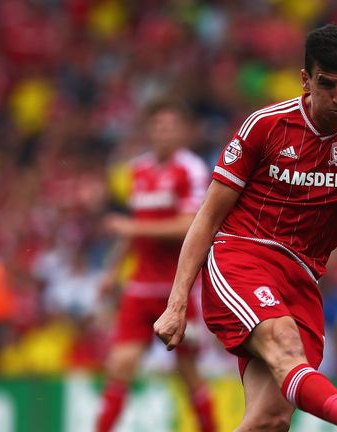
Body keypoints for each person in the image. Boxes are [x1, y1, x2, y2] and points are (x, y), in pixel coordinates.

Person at [154, 24, 337, 432]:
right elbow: (206, 218)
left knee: (270, 421)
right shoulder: (265, 126)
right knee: (284, 344)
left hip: (302, 281)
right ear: (305, 80)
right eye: (326, 85)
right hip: (242, 257)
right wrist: (176, 306)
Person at [96, 100, 216, 432]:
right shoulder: (138, 170)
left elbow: (189, 225)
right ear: (149, 130)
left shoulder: (190, 169)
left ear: (181, 131)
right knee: (120, 364)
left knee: (187, 372)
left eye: (170, 126)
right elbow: (135, 226)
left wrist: (133, 229)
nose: (163, 132)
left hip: (177, 287)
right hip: (139, 286)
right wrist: (111, 272)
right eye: (158, 126)